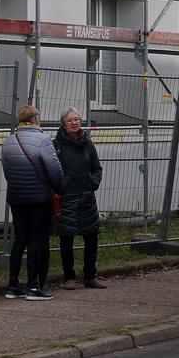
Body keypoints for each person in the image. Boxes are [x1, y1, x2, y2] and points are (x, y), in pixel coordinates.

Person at [1, 105, 64, 301]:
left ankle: (12, 286)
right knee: (36, 239)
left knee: (19, 239)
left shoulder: (9, 141)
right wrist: (60, 190)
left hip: (16, 196)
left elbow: (7, 171)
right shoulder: (43, 140)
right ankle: (33, 287)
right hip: (38, 197)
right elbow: (54, 170)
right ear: (35, 119)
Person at [54, 107, 106, 290]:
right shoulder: (57, 146)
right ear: (64, 125)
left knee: (91, 237)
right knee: (66, 238)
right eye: (70, 121)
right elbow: (52, 170)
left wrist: (94, 182)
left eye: (77, 119)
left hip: (87, 198)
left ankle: (90, 276)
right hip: (67, 198)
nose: (74, 123)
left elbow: (97, 168)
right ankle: (69, 277)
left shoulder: (88, 144)